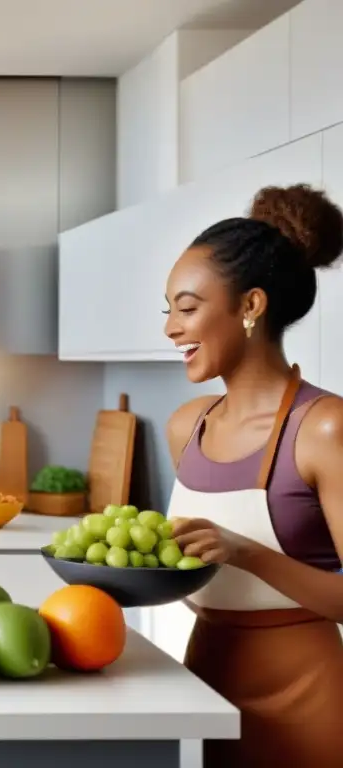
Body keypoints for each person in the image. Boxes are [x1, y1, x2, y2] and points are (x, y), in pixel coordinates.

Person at [163, 184, 343, 765]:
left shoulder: (324, 428)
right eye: (168, 310)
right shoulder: (186, 427)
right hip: (204, 678)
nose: (171, 328)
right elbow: (200, 582)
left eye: (187, 308)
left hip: (305, 694)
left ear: (250, 306)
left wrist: (243, 552)